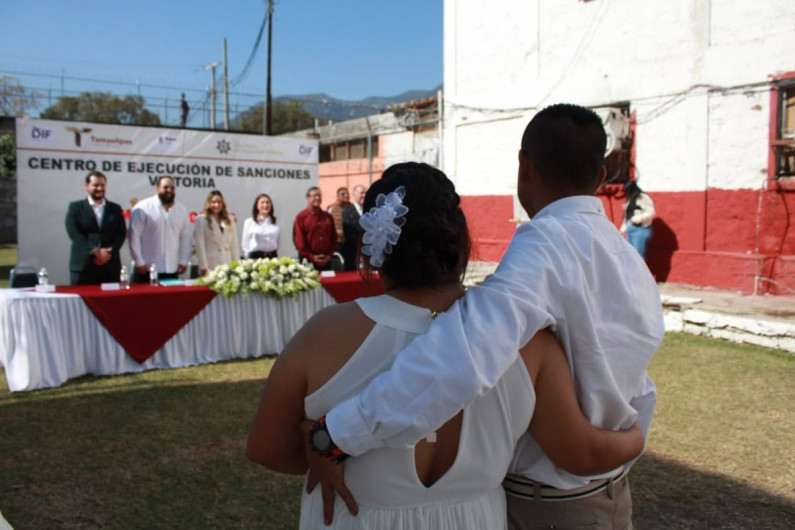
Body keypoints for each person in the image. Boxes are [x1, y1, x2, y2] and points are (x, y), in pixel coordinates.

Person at [307, 105, 665, 529]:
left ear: (523, 164)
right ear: (602, 176)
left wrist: (338, 433)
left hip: (553, 504)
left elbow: (464, 354)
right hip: (602, 491)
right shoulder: (626, 256)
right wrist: (635, 434)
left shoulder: (546, 244)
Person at [64, 171, 127, 285]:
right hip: (83, 265)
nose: (99, 188)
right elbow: (74, 233)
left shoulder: (115, 208)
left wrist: (110, 252)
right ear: (87, 186)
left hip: (110, 266)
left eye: (102, 185)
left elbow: (121, 233)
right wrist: (95, 251)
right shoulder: (76, 208)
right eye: (96, 185)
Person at [129, 176, 193, 283]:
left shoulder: (181, 210)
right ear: (157, 188)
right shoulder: (143, 208)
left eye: (172, 188)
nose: (169, 190)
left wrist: (184, 260)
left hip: (172, 269)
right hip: (147, 269)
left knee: (170, 299)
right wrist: (139, 261)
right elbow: (134, 236)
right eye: (165, 187)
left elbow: (186, 236)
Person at [192, 190, 240, 275]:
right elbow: (200, 245)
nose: (216, 205)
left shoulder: (230, 219)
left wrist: (237, 265)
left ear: (223, 204)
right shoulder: (201, 219)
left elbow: (234, 245)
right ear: (208, 203)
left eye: (219, 202)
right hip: (211, 266)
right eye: (213, 202)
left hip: (227, 263)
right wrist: (204, 267)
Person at [293, 186, 337, 270]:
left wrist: (329, 255)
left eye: (319, 195)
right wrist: (311, 257)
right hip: (308, 261)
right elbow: (299, 241)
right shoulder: (301, 217)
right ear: (308, 198)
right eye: (314, 196)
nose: (317, 198)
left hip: (326, 260)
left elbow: (334, 238)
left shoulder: (327, 217)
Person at [621, 180, 655, 261]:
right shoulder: (629, 199)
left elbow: (651, 212)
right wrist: (623, 227)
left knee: (638, 256)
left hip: (641, 229)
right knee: (629, 254)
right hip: (630, 228)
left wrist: (638, 219)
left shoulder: (643, 198)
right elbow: (627, 214)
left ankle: (640, 273)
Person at [241, 193, 280, 259]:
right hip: (256, 256)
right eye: (262, 203)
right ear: (257, 206)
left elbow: (278, 240)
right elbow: (245, 242)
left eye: (267, 202)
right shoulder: (250, 222)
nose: (265, 205)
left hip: (272, 256)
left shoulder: (276, 221)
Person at [340, 184, 366, 271]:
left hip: (367, 253)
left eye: (365, 193)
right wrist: (362, 243)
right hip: (352, 252)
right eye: (361, 193)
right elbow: (348, 232)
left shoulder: (369, 210)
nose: (364, 195)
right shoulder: (347, 210)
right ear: (354, 194)